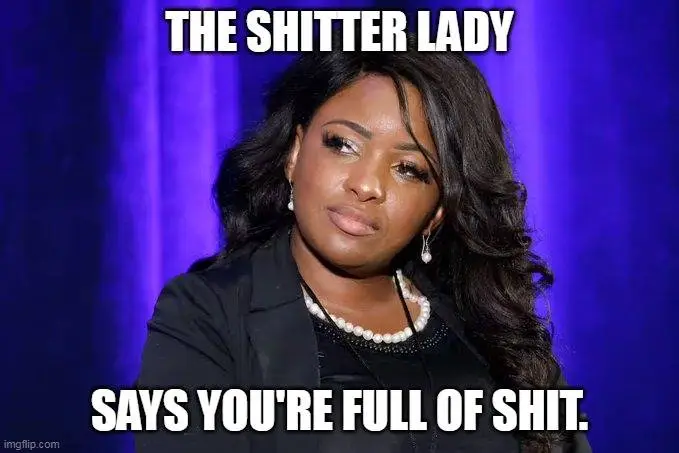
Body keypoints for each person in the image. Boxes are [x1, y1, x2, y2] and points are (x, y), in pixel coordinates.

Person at [135, 30, 592, 453]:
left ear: (437, 209)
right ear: (295, 153)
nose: (367, 185)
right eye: (343, 145)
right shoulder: (208, 314)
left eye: (409, 169)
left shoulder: (489, 327)